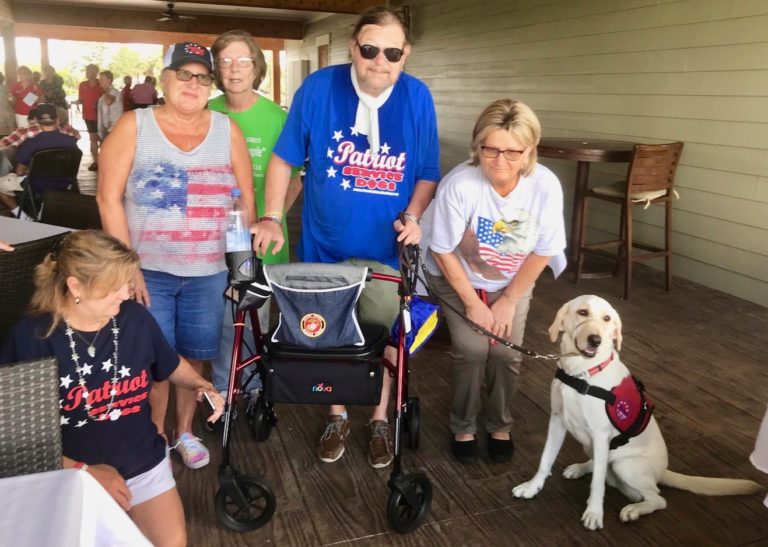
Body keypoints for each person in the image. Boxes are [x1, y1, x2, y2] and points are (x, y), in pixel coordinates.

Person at [252, 6, 440, 469]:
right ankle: (336, 414)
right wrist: (273, 216)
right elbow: (284, 159)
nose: (380, 60)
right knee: (331, 334)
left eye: (392, 51)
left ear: (406, 54)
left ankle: (378, 417)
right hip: (326, 243)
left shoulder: (417, 97)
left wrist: (414, 215)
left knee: (387, 333)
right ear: (353, 48)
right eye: (370, 48)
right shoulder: (318, 88)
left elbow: (427, 173)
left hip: (387, 248)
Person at [0, 230, 225, 546]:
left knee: (171, 543)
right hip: (68, 474)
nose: (125, 293)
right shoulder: (33, 338)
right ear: (75, 285)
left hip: (143, 460)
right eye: (113, 287)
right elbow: (13, 437)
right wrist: (83, 471)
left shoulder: (133, 317)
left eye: (127, 282)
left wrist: (200, 383)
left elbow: (170, 363)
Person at [97, 42, 254, 470]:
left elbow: (245, 203)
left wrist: (241, 270)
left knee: (193, 353)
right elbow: (108, 197)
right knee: (152, 359)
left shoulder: (227, 129)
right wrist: (126, 267)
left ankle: (183, 431)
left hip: (208, 271)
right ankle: (154, 437)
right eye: (183, 74)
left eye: (203, 77)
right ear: (162, 79)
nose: (193, 84)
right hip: (148, 270)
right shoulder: (134, 125)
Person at [425, 99, 566, 464]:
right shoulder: (460, 184)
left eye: (512, 152)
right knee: (472, 350)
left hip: (512, 279)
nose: (500, 162)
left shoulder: (545, 186)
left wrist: (507, 301)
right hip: (455, 275)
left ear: (530, 150)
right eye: (490, 149)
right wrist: (473, 303)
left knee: (504, 351)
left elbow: (543, 251)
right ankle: (463, 425)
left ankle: (499, 424)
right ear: (477, 144)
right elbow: (442, 250)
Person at [208, 29, 302, 397]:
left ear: (256, 67)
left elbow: (294, 181)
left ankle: (249, 391)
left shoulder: (277, 118)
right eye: (225, 61)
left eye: (243, 61)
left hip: (259, 242)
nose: (234, 70)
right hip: (211, 239)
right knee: (217, 321)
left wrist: (270, 222)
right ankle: (220, 393)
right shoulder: (206, 110)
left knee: (252, 322)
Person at [0, 103, 78, 214]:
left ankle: (23, 216)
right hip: (66, 183)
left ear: (36, 120)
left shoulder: (30, 143)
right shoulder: (71, 141)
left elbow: (20, 171)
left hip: (36, 185)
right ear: (57, 119)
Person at [77, 63, 103, 171]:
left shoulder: (101, 84)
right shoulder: (82, 84)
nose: (88, 73)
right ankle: (96, 162)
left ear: (96, 72)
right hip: (88, 116)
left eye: (91, 71)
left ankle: (104, 160)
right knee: (92, 138)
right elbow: (81, 98)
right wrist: (79, 101)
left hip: (101, 116)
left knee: (102, 139)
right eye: (87, 70)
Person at [97, 70, 122, 141]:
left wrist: (106, 91)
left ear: (109, 80)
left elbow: (108, 102)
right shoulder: (103, 95)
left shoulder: (114, 92)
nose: (99, 81)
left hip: (113, 128)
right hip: (106, 128)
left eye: (101, 79)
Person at [0, 72, 15, 136]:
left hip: (4, 114)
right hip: (8, 113)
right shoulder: (6, 88)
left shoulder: (6, 88)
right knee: (10, 135)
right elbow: (11, 101)